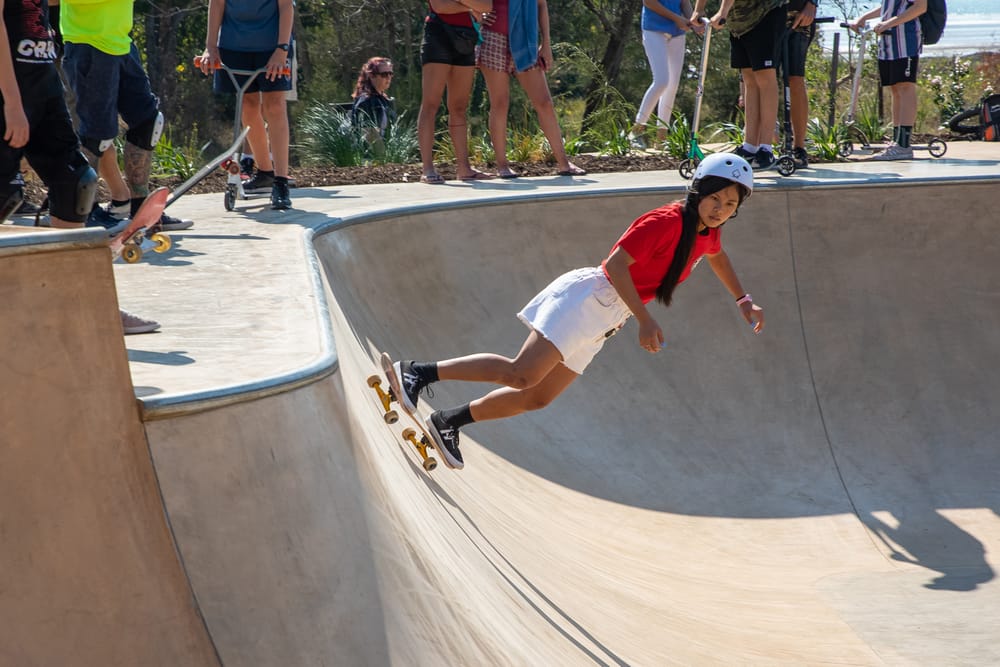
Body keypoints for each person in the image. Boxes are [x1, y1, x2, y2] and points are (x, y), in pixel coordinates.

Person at [391, 153, 763, 469]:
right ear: (698, 190)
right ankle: (417, 373)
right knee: (521, 374)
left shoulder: (706, 233)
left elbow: (717, 257)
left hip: (609, 319)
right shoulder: (664, 222)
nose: (720, 210)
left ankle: (448, 421)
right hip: (591, 297)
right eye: (715, 199)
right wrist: (646, 319)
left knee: (538, 397)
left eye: (731, 205)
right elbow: (617, 266)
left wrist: (743, 300)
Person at [1, 0, 159, 334]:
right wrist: (13, 105)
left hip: (43, 83)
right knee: (4, 195)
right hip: (8, 90)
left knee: (77, 182)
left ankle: (86, 302)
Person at [58, 0, 192, 232]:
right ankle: (82, 212)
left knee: (147, 123)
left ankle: (140, 209)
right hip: (89, 44)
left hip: (121, 42)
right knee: (96, 135)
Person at [199, 0, 295, 209]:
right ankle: (265, 172)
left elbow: (286, 6)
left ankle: (280, 181)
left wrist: (282, 50)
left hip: (274, 44)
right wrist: (210, 47)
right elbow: (216, 4)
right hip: (234, 46)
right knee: (248, 106)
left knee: (275, 105)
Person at [476, 0, 586, 179]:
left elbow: (541, 5)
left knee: (544, 103)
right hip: (493, 38)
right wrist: (477, 15)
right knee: (500, 103)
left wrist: (546, 43)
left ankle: (564, 163)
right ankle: (502, 166)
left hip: (525, 41)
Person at [693, 0, 787, 171]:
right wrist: (699, 10)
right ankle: (749, 147)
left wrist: (722, 11)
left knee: (765, 77)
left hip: (765, 14)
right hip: (739, 24)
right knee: (749, 79)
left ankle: (766, 149)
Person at [418, 0, 495, 184]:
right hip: (438, 35)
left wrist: (461, 4)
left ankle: (464, 168)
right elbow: (440, 6)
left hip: (465, 38)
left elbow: (486, 6)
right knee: (431, 104)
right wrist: (470, 6)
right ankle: (427, 168)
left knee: (459, 107)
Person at [850, 0, 927, 160]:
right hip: (888, 43)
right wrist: (865, 17)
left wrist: (889, 23)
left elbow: (920, 7)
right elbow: (890, 7)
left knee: (906, 87)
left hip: (906, 41)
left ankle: (904, 144)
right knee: (895, 89)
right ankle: (897, 141)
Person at [630, 0, 694, 148]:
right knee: (661, 81)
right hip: (654, 29)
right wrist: (677, 18)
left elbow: (684, 3)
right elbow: (649, 2)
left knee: (672, 86)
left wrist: (693, 21)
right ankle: (636, 131)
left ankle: (661, 139)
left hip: (677, 33)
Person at [786, 0, 818, 168]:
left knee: (795, 78)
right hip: (763, 15)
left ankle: (799, 147)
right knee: (761, 78)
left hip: (799, 14)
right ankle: (760, 146)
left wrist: (812, 4)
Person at [351, 56, 397, 152]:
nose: (388, 77)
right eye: (384, 74)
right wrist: (385, 159)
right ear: (371, 76)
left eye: (390, 73)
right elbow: (370, 135)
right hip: (369, 157)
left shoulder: (384, 100)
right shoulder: (366, 101)